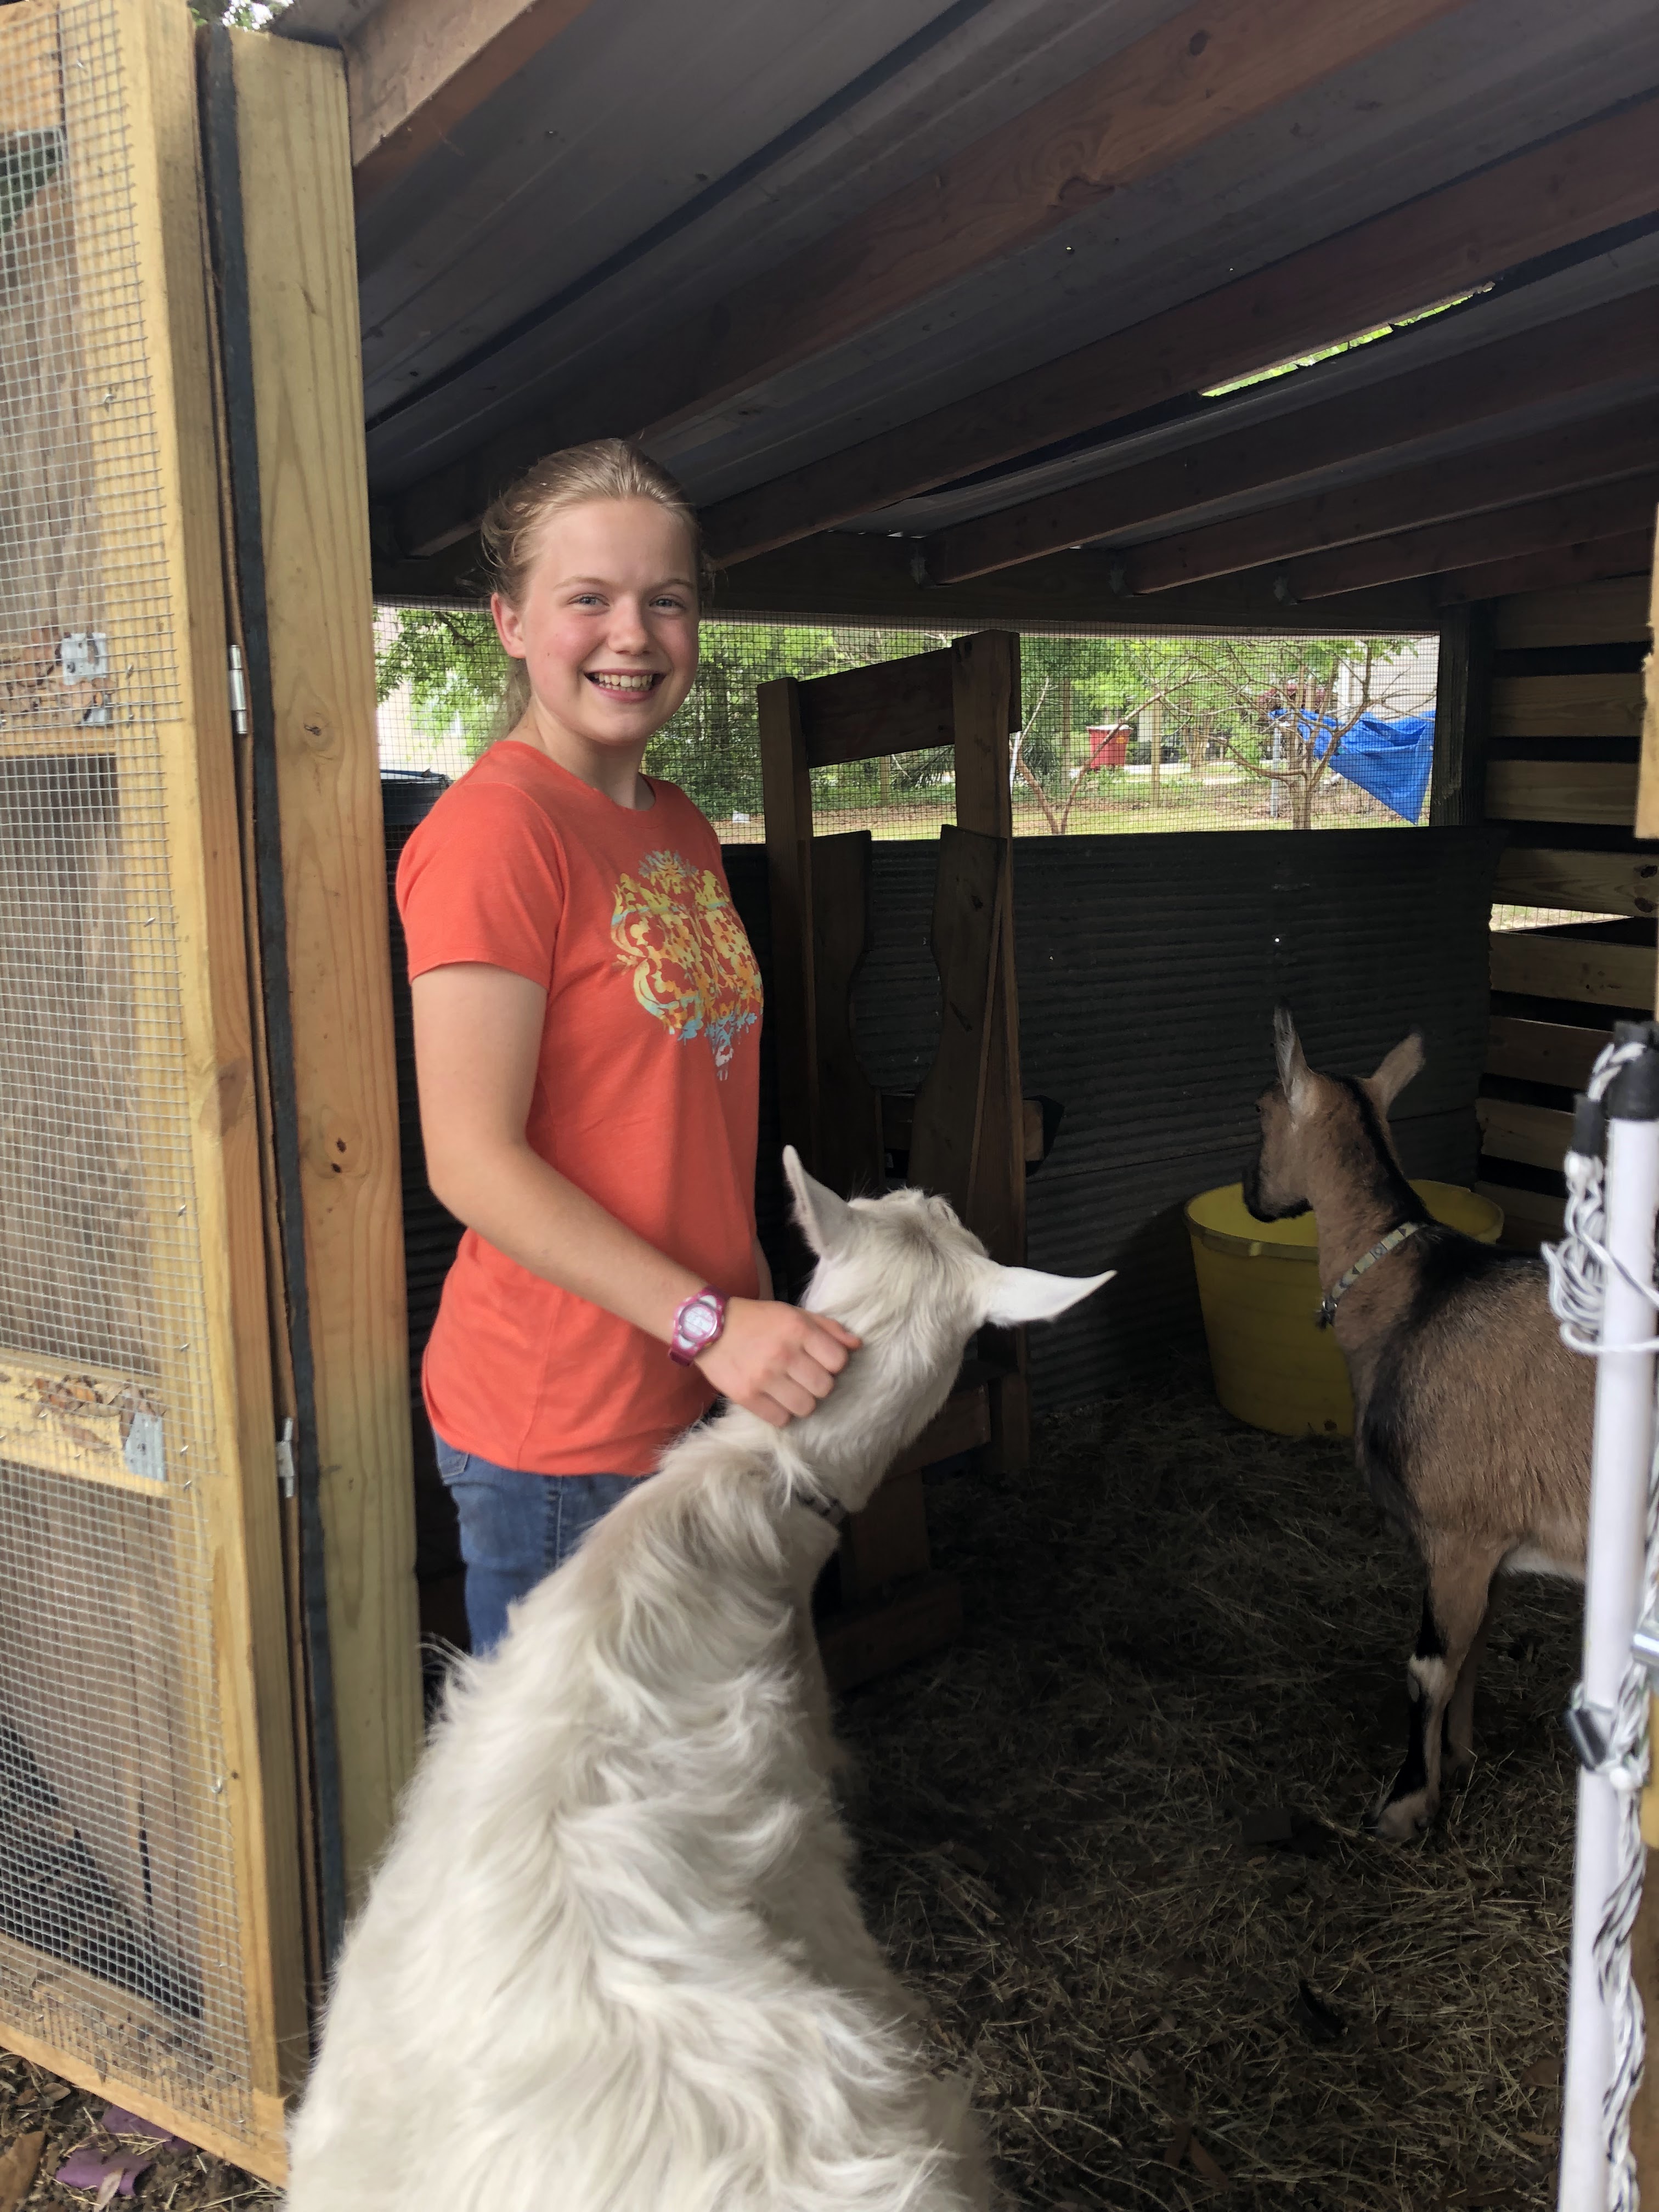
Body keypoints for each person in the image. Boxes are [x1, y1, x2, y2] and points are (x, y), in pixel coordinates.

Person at [396, 439, 859, 1654]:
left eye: (668, 601)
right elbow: (471, 1160)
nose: (633, 636)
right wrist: (710, 1324)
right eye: (588, 599)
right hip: (567, 1426)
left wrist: (738, 1323)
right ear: (510, 623)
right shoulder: (495, 834)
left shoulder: (679, 825)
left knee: (699, 1747)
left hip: (699, 1379)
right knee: (590, 1776)